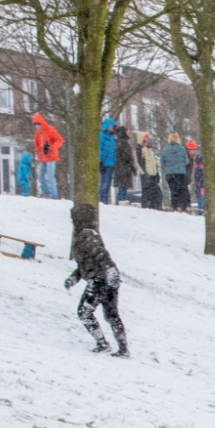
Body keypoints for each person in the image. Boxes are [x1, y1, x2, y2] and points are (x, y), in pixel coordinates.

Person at [64, 203, 128, 358]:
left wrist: (109, 269)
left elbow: (100, 255)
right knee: (111, 315)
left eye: (73, 220)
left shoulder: (86, 235)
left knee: (84, 311)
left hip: (100, 280)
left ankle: (102, 343)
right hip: (108, 278)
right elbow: (87, 263)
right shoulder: (91, 234)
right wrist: (75, 277)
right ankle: (123, 349)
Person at [33, 113, 63, 199]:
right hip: (43, 158)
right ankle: (48, 194)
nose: (37, 127)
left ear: (42, 123)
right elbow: (36, 143)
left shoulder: (50, 130)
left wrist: (51, 147)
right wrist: (39, 149)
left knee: (50, 177)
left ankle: (54, 196)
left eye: (38, 124)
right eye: (35, 125)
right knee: (40, 178)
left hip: (51, 157)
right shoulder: (37, 133)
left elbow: (59, 140)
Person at [160, 133, 191, 212]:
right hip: (180, 173)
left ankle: (174, 206)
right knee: (181, 189)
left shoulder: (165, 149)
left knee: (173, 190)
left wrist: (169, 166)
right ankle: (183, 207)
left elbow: (162, 161)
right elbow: (187, 161)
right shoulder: (182, 149)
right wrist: (180, 165)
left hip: (169, 173)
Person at [133, 132, 163, 210]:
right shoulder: (139, 149)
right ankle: (146, 208)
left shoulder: (149, 149)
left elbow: (153, 163)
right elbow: (138, 162)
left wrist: (156, 173)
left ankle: (156, 208)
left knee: (157, 194)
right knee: (147, 193)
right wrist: (144, 173)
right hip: (146, 175)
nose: (148, 139)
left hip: (153, 175)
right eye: (146, 138)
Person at [112, 126, 135, 203]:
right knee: (123, 186)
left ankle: (121, 201)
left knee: (122, 186)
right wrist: (130, 163)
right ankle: (121, 201)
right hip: (123, 167)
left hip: (122, 166)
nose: (129, 133)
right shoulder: (123, 142)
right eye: (127, 131)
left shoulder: (120, 141)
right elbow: (125, 155)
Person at [98, 118, 117, 204]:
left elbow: (114, 150)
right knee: (104, 183)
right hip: (104, 163)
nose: (113, 127)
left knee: (108, 183)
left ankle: (106, 200)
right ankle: (102, 200)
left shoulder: (113, 137)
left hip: (111, 164)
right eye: (112, 125)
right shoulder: (101, 136)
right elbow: (99, 149)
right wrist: (100, 161)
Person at [185, 139, 199, 207]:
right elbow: (187, 169)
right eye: (194, 150)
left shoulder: (190, 157)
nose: (195, 152)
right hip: (184, 180)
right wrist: (187, 178)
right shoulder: (187, 157)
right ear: (189, 150)